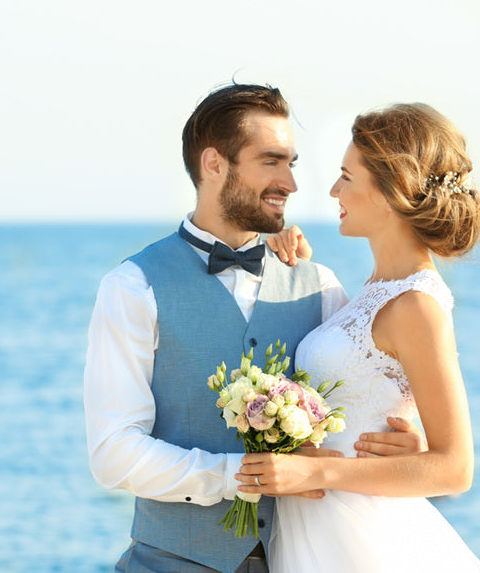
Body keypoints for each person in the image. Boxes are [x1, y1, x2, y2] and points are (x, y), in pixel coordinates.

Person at [83, 84, 426, 573]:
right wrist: (239, 477)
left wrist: (402, 449)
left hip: (300, 559)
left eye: (292, 162)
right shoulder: (133, 287)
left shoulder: (319, 286)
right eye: (271, 161)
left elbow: (361, 402)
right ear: (214, 164)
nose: (290, 182)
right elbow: (113, 453)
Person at [237, 103, 480, 571]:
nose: (333, 190)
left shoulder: (417, 305)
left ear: (392, 193)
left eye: (346, 177)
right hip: (323, 532)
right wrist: (292, 272)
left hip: (362, 539)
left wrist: (314, 469)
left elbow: (455, 468)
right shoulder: (373, 294)